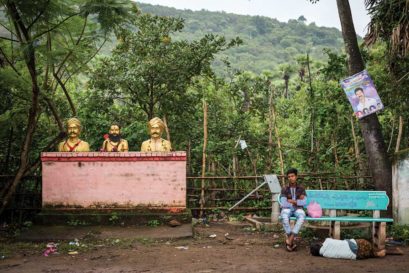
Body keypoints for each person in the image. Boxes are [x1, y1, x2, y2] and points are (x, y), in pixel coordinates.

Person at [280, 168, 307, 251]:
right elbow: (284, 203)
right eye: (288, 177)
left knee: (302, 216)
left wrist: (292, 201)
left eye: (292, 176)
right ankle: (291, 240)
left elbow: (304, 202)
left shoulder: (301, 188)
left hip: (298, 209)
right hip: (287, 208)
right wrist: (297, 201)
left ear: (296, 176)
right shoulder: (285, 188)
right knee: (284, 216)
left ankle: (290, 239)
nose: (290, 178)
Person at [310, 238, 386, 260]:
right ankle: (376, 252)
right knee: (364, 242)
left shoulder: (325, 255)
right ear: (319, 244)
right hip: (358, 245)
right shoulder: (327, 241)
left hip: (359, 256)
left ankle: (375, 254)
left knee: (365, 252)